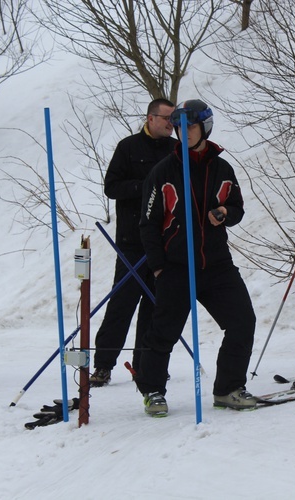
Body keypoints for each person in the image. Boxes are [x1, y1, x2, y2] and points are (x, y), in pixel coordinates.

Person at [136, 99, 257, 416]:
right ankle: (153, 391)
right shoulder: (162, 172)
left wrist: (224, 213)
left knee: (243, 321)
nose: (184, 131)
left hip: (216, 266)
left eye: (190, 125)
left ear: (205, 126)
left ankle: (228, 388)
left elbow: (237, 208)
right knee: (163, 332)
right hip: (176, 267)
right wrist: (159, 266)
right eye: (179, 126)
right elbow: (148, 224)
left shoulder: (222, 168)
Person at [89, 98, 177, 387]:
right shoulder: (128, 147)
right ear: (151, 118)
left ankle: (146, 365)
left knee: (156, 306)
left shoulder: (175, 150)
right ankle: (103, 365)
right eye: (166, 118)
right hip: (131, 242)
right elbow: (111, 187)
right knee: (122, 304)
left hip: (162, 243)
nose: (171, 124)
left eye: (173, 119)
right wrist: (146, 187)